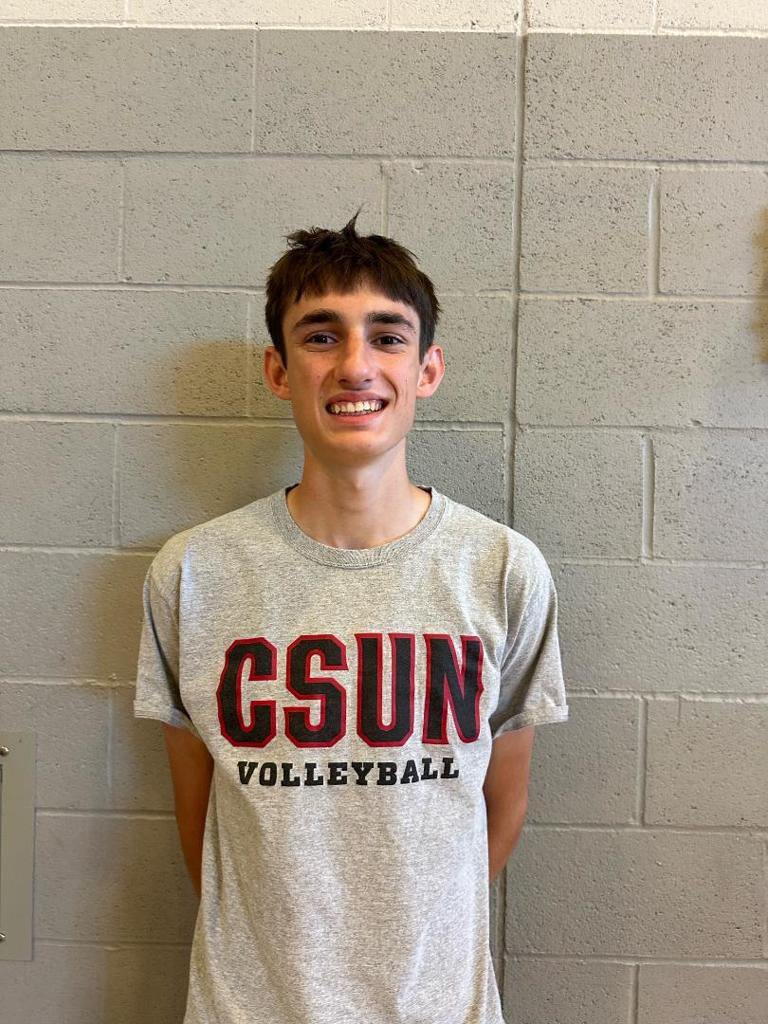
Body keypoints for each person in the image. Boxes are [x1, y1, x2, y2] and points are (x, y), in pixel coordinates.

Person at [134, 210, 569, 1024]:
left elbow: (500, 806)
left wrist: (419, 944)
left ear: (428, 368)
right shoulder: (193, 574)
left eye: (388, 337)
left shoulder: (503, 570)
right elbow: (203, 817)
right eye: (322, 336)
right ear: (278, 369)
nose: (356, 365)